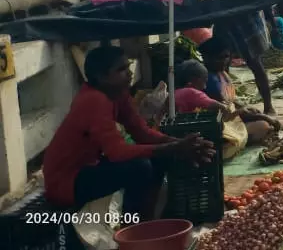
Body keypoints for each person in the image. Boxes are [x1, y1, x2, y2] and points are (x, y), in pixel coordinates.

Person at [43, 46, 214, 220]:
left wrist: (178, 143)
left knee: (160, 158)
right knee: (139, 167)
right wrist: (174, 146)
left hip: (90, 166)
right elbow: (117, 152)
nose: (130, 73)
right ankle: (133, 227)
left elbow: (141, 133)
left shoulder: (118, 94)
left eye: (128, 66)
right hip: (66, 181)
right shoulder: (94, 100)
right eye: (121, 70)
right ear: (101, 77)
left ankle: (149, 219)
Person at [174, 59, 274, 145]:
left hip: (182, 133)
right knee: (262, 126)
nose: (205, 87)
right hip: (193, 136)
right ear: (194, 80)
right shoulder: (192, 93)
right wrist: (241, 111)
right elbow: (224, 109)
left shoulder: (176, 92)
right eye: (204, 81)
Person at [214, 8, 278, 113]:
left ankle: (268, 106)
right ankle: (227, 103)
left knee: (255, 63)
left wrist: (272, 21)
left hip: (245, 20)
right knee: (221, 64)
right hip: (222, 18)